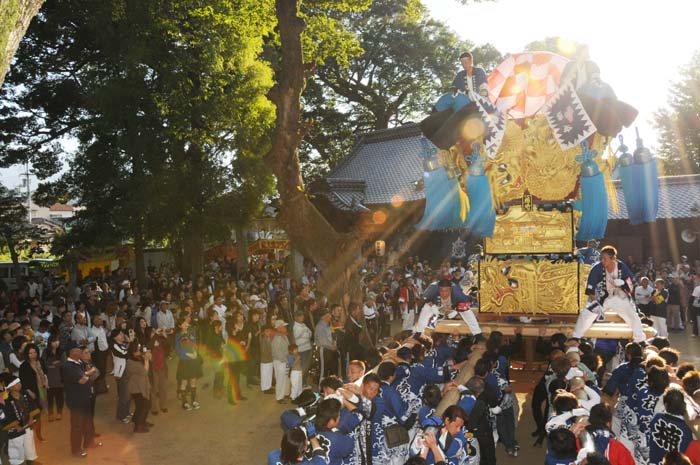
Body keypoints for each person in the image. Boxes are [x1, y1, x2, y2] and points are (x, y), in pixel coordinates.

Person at [573, 245, 645, 342]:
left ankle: (640, 340)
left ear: (613, 258)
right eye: (601, 258)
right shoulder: (597, 268)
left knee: (633, 316)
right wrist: (594, 303)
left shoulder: (622, 267)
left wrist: (623, 283)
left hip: (619, 297)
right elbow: (590, 288)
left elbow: (631, 284)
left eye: (605, 258)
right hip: (602, 297)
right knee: (586, 314)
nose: (602, 260)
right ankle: (576, 337)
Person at [63, 346, 97, 458]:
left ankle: (89, 442)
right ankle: (76, 449)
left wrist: (87, 374)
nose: (80, 352)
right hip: (76, 400)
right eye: (77, 351)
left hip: (84, 398)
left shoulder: (79, 363)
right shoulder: (68, 366)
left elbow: (84, 376)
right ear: (71, 353)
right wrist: (90, 372)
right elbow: (82, 380)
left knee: (88, 422)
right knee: (77, 425)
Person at [17, 344, 46, 442]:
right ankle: (33, 435)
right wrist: (29, 391)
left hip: (41, 389)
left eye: (34, 352)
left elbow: (44, 373)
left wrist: (45, 381)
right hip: (31, 392)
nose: (33, 355)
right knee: (33, 414)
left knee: (38, 413)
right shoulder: (24, 366)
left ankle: (38, 434)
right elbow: (22, 381)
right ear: (27, 354)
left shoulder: (40, 362)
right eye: (30, 353)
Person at [175, 317, 201, 411]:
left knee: (193, 381)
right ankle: (185, 402)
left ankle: (193, 401)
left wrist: (195, 353)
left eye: (186, 322)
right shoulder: (178, 335)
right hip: (185, 361)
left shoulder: (191, 332)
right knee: (184, 382)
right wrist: (189, 355)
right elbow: (178, 349)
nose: (186, 324)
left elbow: (195, 343)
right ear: (180, 326)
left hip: (193, 361)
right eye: (184, 323)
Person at [126, 342, 151, 433]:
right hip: (136, 387)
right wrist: (146, 360)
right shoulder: (130, 362)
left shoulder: (137, 358)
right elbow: (144, 371)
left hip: (141, 386)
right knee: (144, 406)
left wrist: (147, 356)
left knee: (142, 405)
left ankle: (140, 421)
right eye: (138, 350)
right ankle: (138, 426)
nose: (140, 351)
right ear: (133, 352)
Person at [41, 334, 64, 422]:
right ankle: (50, 413)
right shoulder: (45, 351)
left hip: (59, 375)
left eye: (57, 341)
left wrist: (54, 364)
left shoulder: (61, 351)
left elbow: (64, 362)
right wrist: (55, 363)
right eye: (54, 341)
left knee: (59, 395)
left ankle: (59, 412)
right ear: (50, 342)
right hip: (49, 376)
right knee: (50, 396)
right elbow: (44, 363)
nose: (56, 343)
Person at [111, 328, 131, 423]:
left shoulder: (123, 344)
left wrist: (128, 342)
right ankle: (121, 416)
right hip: (120, 372)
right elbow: (124, 353)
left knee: (128, 393)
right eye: (120, 334)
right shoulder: (114, 346)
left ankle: (126, 412)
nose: (122, 335)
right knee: (124, 395)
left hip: (127, 370)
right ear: (115, 337)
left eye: (122, 333)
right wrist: (129, 342)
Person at [315, 310, 338, 380]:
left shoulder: (328, 325)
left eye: (330, 315)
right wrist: (332, 347)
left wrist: (334, 342)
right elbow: (323, 341)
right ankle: (320, 384)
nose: (330, 317)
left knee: (331, 369)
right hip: (323, 350)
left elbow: (333, 335)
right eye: (328, 316)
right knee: (323, 370)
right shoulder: (320, 326)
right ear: (322, 317)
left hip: (330, 349)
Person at [271, 320, 290, 404]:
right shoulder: (277, 339)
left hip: (285, 361)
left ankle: (285, 393)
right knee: (280, 379)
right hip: (279, 362)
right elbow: (277, 352)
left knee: (285, 377)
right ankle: (279, 397)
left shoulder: (284, 336)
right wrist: (285, 360)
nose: (285, 328)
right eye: (283, 326)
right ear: (278, 328)